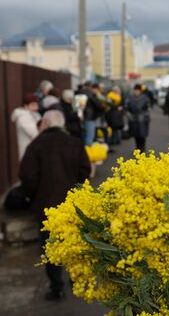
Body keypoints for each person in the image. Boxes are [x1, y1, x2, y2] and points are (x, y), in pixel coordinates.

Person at [19, 110, 91, 301]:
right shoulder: (75, 143)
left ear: (46, 123)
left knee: (51, 248)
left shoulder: (36, 145)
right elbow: (86, 170)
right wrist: (77, 190)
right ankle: (76, 279)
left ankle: (56, 287)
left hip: (46, 207)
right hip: (73, 206)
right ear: (62, 124)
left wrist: (31, 196)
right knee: (75, 244)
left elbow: (27, 176)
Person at [11, 93, 41, 160]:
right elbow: (35, 134)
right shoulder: (23, 117)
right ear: (26, 105)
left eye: (36, 104)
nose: (36, 107)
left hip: (33, 150)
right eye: (33, 104)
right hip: (28, 151)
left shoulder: (34, 115)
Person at [126, 84, 151, 152]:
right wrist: (129, 115)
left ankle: (142, 149)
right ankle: (137, 148)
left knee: (142, 135)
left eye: (137, 91)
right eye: (135, 90)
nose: (136, 92)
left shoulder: (145, 98)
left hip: (142, 120)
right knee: (136, 135)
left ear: (140, 91)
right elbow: (127, 108)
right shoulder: (130, 98)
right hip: (133, 120)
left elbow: (148, 108)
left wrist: (146, 115)